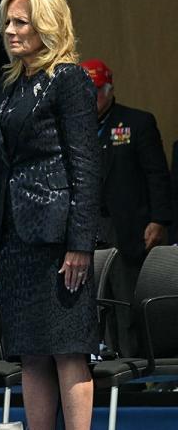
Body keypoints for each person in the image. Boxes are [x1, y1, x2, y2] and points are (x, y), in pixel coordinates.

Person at [0, 0, 100, 430]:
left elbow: (86, 166)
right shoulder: (11, 82)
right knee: (30, 350)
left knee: (67, 347)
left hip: (57, 236)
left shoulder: (69, 79)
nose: (10, 31)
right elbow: (3, 168)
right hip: (17, 237)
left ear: (47, 26)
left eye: (21, 22)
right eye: (7, 23)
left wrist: (80, 243)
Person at [81, 58, 171, 357]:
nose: (91, 99)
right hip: (86, 227)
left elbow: (157, 175)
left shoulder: (136, 122)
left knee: (126, 298)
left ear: (109, 90)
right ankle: (103, 362)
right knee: (93, 301)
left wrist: (159, 219)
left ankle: (136, 366)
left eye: (96, 92)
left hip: (126, 226)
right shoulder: (73, 128)